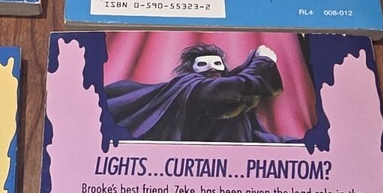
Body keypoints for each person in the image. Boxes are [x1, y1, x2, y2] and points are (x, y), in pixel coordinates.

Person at [105, 42, 286, 142]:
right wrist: (263, 61)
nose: (212, 68)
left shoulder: (225, 90)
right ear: (192, 69)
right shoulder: (189, 85)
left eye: (217, 63)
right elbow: (233, 89)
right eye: (202, 64)